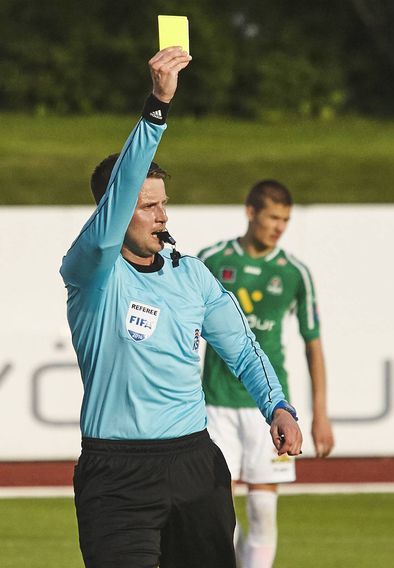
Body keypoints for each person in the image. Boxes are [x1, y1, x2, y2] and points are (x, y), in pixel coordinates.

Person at [60, 48, 302, 568]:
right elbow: (115, 209)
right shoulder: (92, 271)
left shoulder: (190, 273)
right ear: (116, 211)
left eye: (163, 203)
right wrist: (157, 107)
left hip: (194, 464)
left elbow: (242, 349)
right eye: (147, 205)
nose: (160, 215)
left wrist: (277, 405)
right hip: (116, 473)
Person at [198, 180, 334, 568]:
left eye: (286, 220)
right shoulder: (211, 259)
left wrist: (320, 413)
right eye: (273, 216)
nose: (279, 226)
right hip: (216, 405)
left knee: (263, 511)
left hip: (270, 410)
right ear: (250, 211)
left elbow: (313, 343)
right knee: (216, 510)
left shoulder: (294, 273)